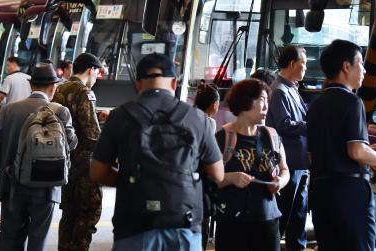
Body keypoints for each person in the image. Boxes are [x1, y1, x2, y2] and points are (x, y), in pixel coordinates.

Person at [90, 53, 224, 250]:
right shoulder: (197, 118)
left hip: (134, 224)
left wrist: (130, 180)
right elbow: (218, 174)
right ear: (173, 83)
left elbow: (97, 172)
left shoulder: (120, 116)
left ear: (138, 84)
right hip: (184, 224)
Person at [307, 39, 376, 250]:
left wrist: (369, 150)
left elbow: (322, 150)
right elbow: (356, 151)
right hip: (349, 192)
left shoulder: (316, 105)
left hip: (320, 192)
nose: (364, 69)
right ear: (346, 66)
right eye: (360, 63)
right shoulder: (352, 102)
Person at [0, 63, 77, 251]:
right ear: (53, 87)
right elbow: (71, 144)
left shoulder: (9, 110)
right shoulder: (60, 111)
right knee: (38, 240)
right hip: (47, 187)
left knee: (10, 238)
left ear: (31, 85)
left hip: (13, 183)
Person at [214, 79, 289, 251]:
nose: (266, 106)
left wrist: (280, 182)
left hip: (268, 220)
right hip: (232, 222)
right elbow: (209, 179)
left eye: (267, 101)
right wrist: (231, 178)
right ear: (245, 101)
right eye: (261, 100)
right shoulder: (223, 137)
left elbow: (285, 170)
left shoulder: (272, 136)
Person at [52, 53, 104, 251]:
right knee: (89, 213)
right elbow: (92, 135)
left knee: (69, 213)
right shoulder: (84, 92)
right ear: (91, 70)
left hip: (65, 162)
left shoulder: (61, 88)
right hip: (85, 165)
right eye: (96, 73)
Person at [265, 45, 309, 251]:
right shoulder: (279, 90)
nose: (305, 68)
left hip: (299, 160)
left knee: (299, 212)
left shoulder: (292, 87)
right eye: (304, 64)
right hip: (288, 161)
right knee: (286, 212)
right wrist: (313, 127)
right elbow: (284, 125)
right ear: (292, 64)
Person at [193, 82, 220, 249]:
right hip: (201, 182)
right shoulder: (209, 122)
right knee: (202, 225)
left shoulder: (187, 116)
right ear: (215, 105)